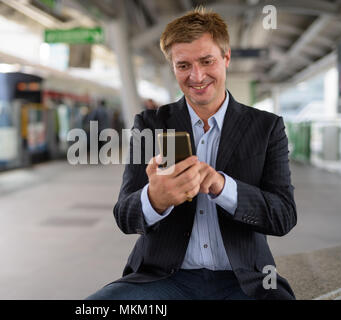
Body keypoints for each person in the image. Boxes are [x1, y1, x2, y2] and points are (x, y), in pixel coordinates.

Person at [86, 7, 297, 300]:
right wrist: (154, 199)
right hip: (163, 280)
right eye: (183, 65)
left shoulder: (266, 128)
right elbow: (124, 216)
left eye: (207, 61)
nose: (196, 76)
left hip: (244, 281)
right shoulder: (149, 125)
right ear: (173, 67)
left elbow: (284, 216)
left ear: (226, 58)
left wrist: (222, 187)